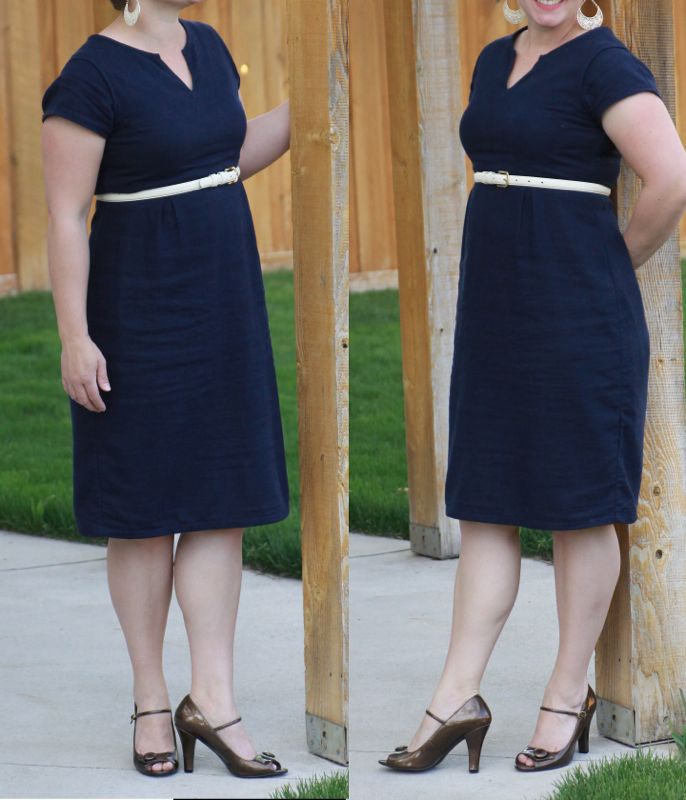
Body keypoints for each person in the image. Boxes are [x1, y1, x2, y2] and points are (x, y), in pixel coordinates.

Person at [379, 0, 686, 774]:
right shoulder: (492, 59)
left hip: (579, 313)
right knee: (486, 502)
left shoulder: (605, 62)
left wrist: (611, 263)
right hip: (497, 309)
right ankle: (457, 696)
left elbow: (672, 177)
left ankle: (566, 690)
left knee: (582, 508)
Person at [41, 0, 290, 779]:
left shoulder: (209, 47)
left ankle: (212, 700)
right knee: (145, 510)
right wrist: (76, 336)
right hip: (137, 309)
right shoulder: (88, 77)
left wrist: (309, 102)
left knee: (222, 501)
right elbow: (63, 214)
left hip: (223, 303)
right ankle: (153, 701)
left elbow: (224, 156)